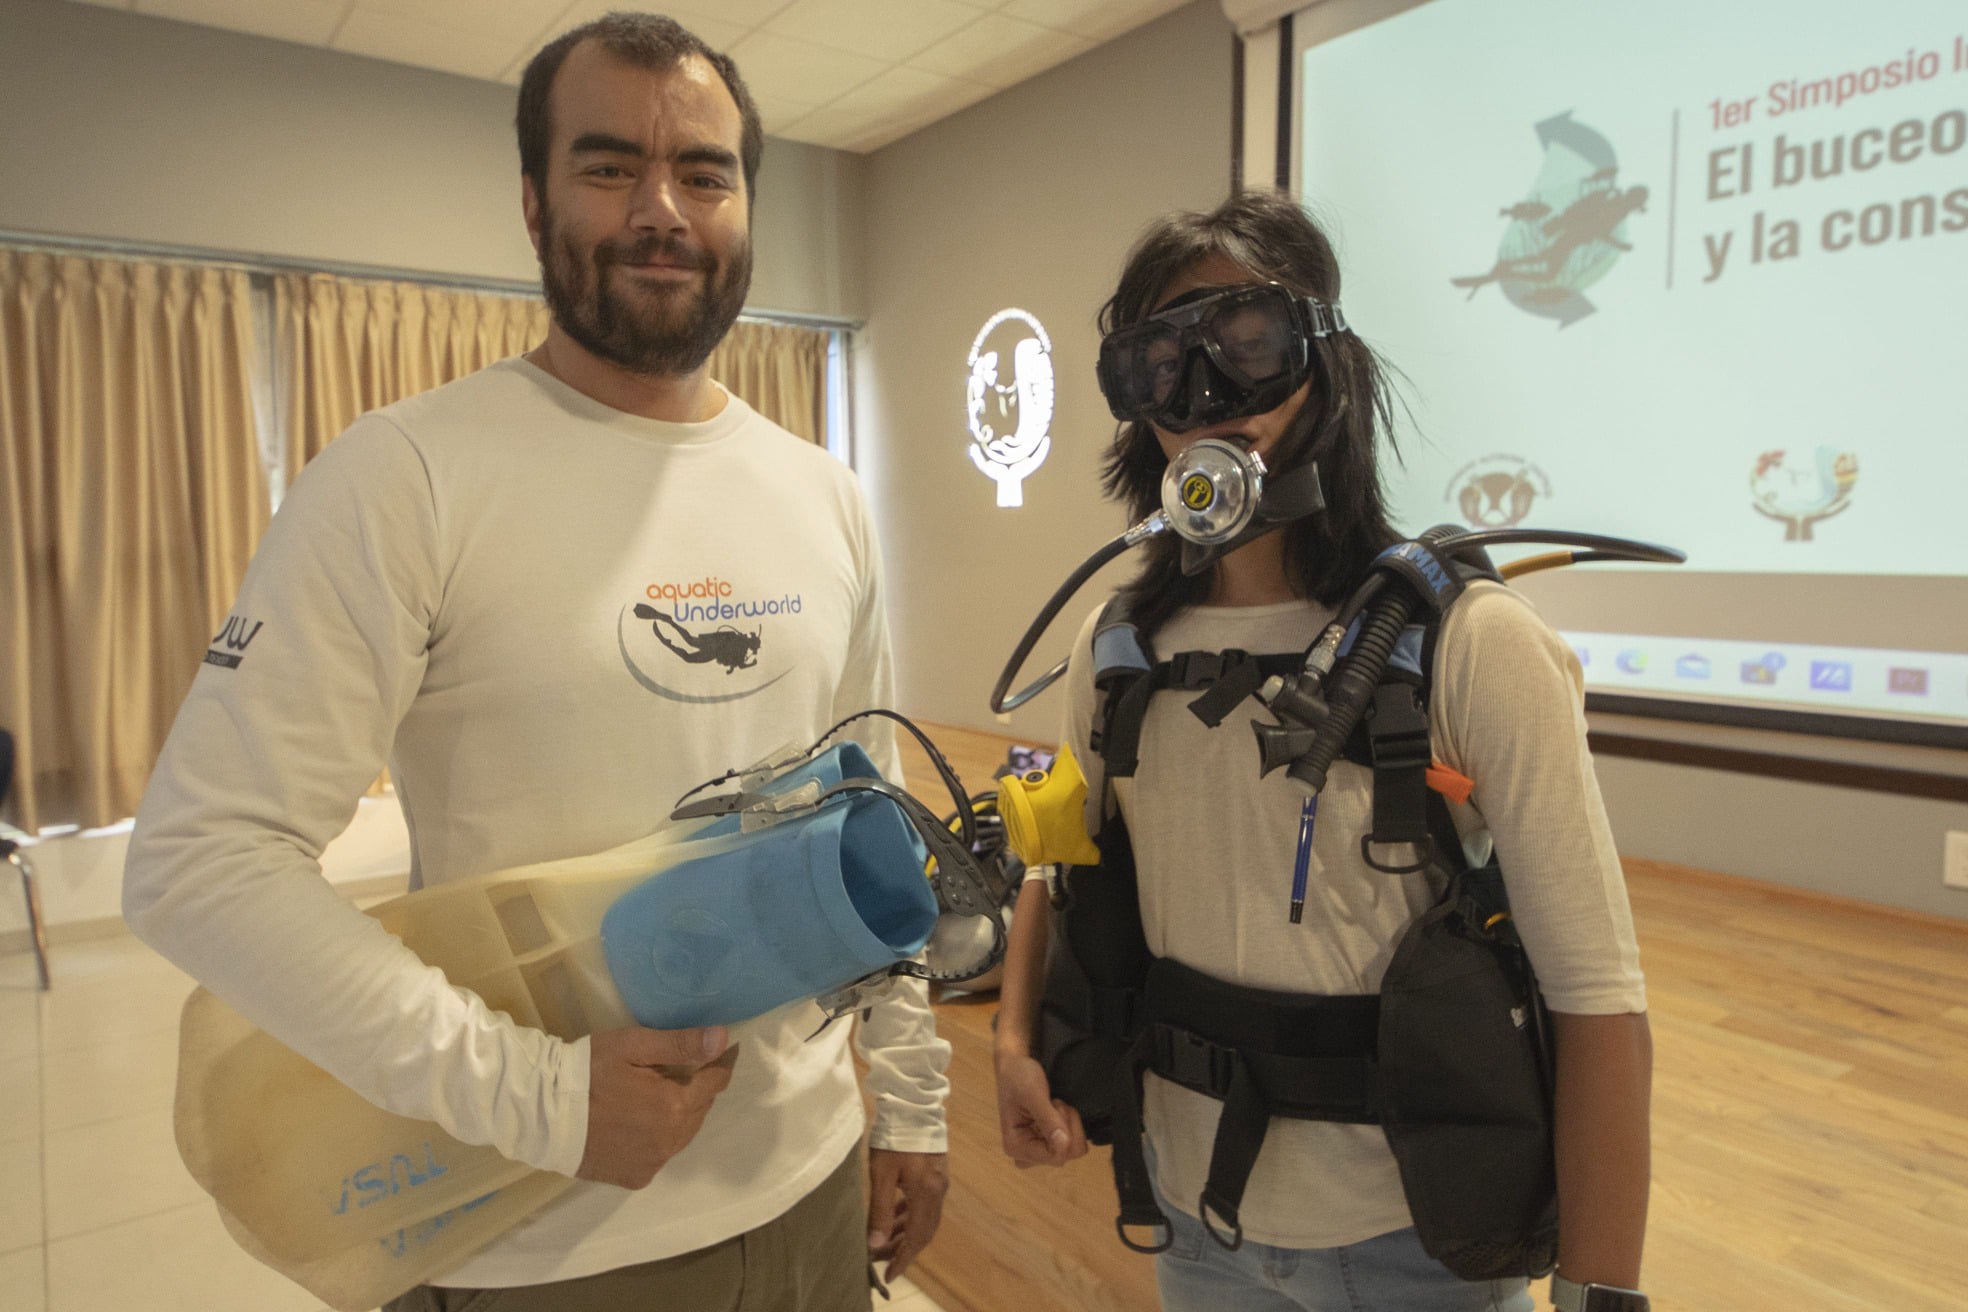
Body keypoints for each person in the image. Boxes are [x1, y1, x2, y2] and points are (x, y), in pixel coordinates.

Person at [123, 14, 948, 1311]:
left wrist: (908, 1100)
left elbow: (870, 809)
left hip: (813, 1183)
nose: (662, 209)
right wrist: (544, 1098)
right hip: (547, 1239)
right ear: (531, 201)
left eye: (706, 173)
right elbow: (200, 860)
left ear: (745, 208)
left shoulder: (825, 495)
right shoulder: (407, 475)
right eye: (610, 166)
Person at [992, 189, 1653, 1312]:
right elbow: (1057, 864)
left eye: (1248, 346)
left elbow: (1598, 999)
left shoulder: (1474, 645)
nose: (1208, 402)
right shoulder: (1114, 648)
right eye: (1162, 367)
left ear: (1330, 369)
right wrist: (1012, 1039)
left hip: (1412, 1243)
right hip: (1191, 1220)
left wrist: (1603, 1296)